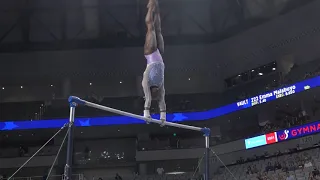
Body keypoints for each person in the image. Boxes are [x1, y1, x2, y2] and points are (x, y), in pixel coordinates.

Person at [142, 0, 166, 126]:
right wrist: (163, 117)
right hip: (160, 55)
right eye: (157, 94)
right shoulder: (160, 86)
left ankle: (150, 6)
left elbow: (149, 99)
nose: (157, 93)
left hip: (150, 53)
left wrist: (146, 112)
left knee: (150, 27)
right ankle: (156, 6)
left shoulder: (147, 82)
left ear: (150, 93)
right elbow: (162, 101)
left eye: (154, 94)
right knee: (158, 29)